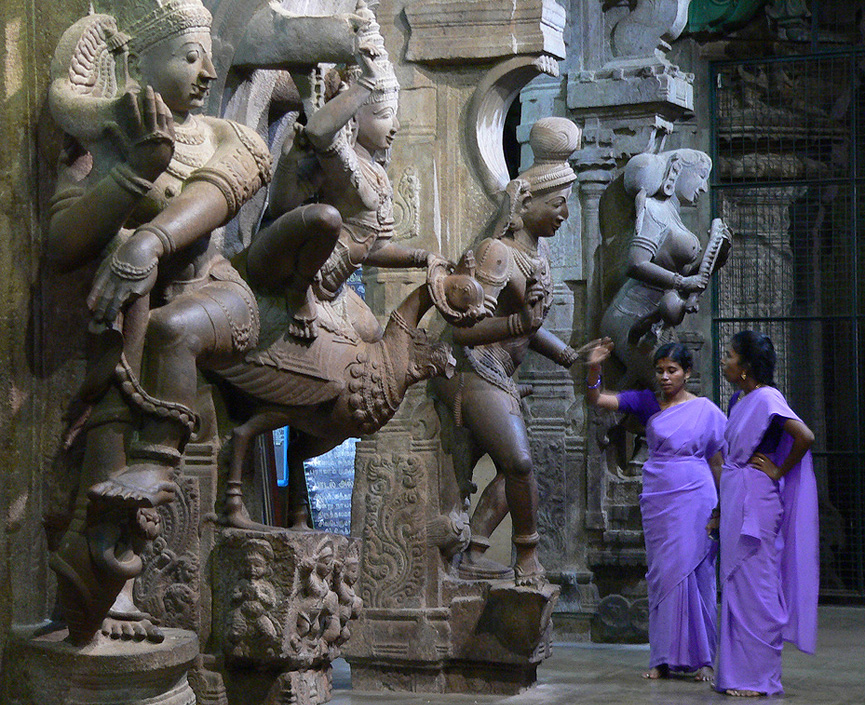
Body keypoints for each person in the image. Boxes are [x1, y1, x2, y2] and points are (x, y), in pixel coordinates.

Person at [45, 0, 271, 643]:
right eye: (189, 55)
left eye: (209, 56)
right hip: (125, 333)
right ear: (139, 63)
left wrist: (148, 242)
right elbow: (62, 242)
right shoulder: (111, 138)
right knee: (123, 366)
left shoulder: (226, 137)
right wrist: (130, 172)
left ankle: (118, 537)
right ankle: (103, 581)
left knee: (155, 298)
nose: (206, 72)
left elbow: (219, 191)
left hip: (214, 302)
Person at [432, 117, 582, 586]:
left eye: (567, 205)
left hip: (500, 373)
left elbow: (530, 330)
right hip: (474, 368)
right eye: (557, 204)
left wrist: (572, 357)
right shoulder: (498, 253)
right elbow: (464, 331)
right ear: (526, 202)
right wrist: (521, 322)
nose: (564, 214)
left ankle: (475, 550)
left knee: (511, 468)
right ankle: (529, 557)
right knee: (518, 464)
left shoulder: (536, 256)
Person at [246, 2, 437, 343]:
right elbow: (320, 131)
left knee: (375, 341)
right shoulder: (338, 154)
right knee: (327, 218)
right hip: (300, 276)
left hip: (336, 288)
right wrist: (364, 86)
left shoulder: (375, 172)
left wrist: (424, 257)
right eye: (382, 114)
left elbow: (374, 248)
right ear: (353, 114)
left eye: (393, 115)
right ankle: (297, 293)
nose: (393, 127)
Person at [585, 338, 725, 681]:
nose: (664, 377)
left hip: (697, 496)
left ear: (687, 373)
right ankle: (662, 657)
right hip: (659, 499)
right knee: (663, 575)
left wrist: (721, 509)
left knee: (698, 574)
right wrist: (593, 367)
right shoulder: (647, 402)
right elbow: (598, 399)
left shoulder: (704, 410)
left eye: (672, 370)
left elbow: (718, 461)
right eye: (660, 370)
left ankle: (703, 659)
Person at [713, 330, 818, 697]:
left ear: (746, 366)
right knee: (737, 587)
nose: (723, 360)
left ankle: (760, 678)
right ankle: (737, 674)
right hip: (736, 494)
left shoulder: (768, 398)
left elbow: (805, 436)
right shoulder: (738, 400)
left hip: (757, 498)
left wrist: (778, 469)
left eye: (729, 355)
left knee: (756, 588)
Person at [600, 149, 730, 387]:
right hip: (631, 315)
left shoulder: (671, 211)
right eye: (700, 176)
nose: (703, 187)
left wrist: (716, 259)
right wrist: (681, 283)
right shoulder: (653, 210)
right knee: (665, 387)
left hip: (656, 317)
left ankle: (624, 416)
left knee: (671, 387)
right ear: (678, 171)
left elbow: (687, 275)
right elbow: (636, 263)